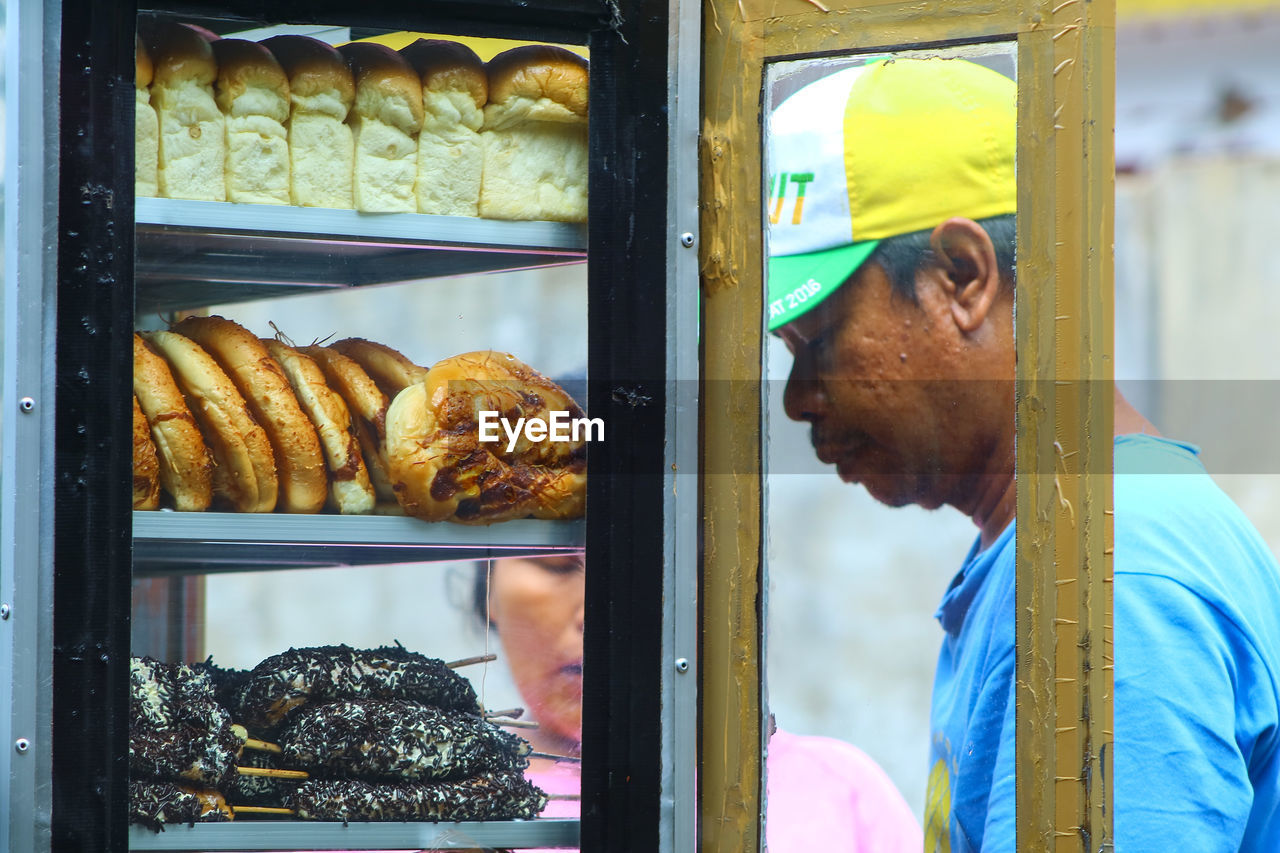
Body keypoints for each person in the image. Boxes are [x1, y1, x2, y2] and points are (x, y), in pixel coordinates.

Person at [766, 56, 1280, 852]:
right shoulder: (1067, 544)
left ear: (964, 277)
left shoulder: (1109, 580)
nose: (799, 395)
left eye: (818, 340)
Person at [474, 554, 924, 851]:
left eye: (650, 561)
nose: (596, 615)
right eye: (555, 563)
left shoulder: (839, 789)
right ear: (488, 584)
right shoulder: (415, 807)